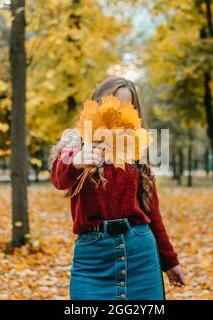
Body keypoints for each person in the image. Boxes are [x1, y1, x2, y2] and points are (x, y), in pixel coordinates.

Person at [51, 77, 185, 300]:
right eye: (112, 103)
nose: (118, 113)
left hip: (140, 254)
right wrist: (77, 162)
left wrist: (170, 261)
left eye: (126, 107)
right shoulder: (76, 143)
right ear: (99, 103)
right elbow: (58, 178)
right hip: (93, 259)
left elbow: (153, 212)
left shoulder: (137, 150)